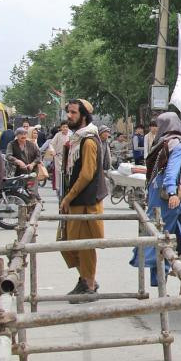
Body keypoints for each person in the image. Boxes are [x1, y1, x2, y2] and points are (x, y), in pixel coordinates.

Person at [59, 99, 110, 296]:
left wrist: (68, 198)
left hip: (86, 201)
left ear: (83, 116)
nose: (69, 116)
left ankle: (88, 284)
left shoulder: (88, 140)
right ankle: (87, 279)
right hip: (75, 200)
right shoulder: (75, 140)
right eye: (68, 112)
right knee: (67, 243)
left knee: (85, 245)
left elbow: (87, 174)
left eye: (73, 113)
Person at [132, 111, 181, 285]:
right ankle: (163, 277)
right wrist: (172, 192)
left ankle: (169, 276)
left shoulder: (161, 143)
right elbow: (171, 171)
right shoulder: (176, 145)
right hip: (169, 198)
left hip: (158, 195)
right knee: (165, 239)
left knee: (176, 236)